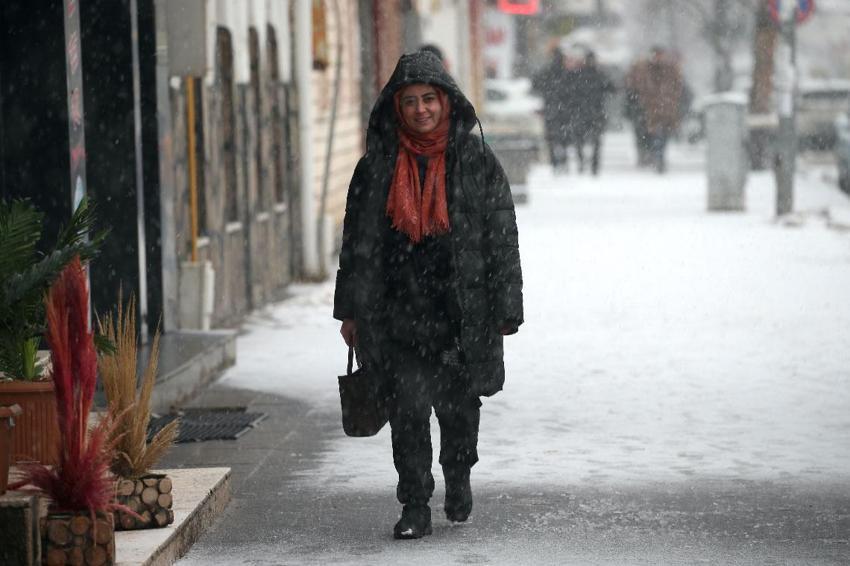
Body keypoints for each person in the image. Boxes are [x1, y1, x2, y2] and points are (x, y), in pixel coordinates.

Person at [333, 51, 524, 540]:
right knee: (408, 413)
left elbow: (502, 237)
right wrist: (350, 311)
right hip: (396, 314)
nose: (421, 110)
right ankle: (414, 504)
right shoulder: (376, 167)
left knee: (459, 412)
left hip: (460, 313)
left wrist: (507, 307)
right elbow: (356, 245)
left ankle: (458, 477)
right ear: (396, 108)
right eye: (410, 101)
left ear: (446, 102)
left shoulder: (476, 160)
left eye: (429, 99)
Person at [626, 47, 685, 173]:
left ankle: (658, 158)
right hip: (651, 111)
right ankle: (657, 158)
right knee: (655, 135)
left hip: (665, 110)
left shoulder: (670, 70)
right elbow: (637, 87)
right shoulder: (645, 70)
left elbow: (678, 88)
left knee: (663, 136)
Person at [575, 51, 615, 175]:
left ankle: (584, 162)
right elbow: (612, 88)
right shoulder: (599, 74)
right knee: (595, 141)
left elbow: (570, 92)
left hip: (582, 112)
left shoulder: (579, 74)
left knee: (581, 140)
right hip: (595, 112)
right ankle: (593, 164)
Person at [532, 47, 572, 171]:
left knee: (551, 136)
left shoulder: (547, 72)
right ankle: (563, 158)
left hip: (550, 108)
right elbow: (574, 91)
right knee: (564, 136)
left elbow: (535, 84)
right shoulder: (568, 73)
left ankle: (554, 161)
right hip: (564, 109)